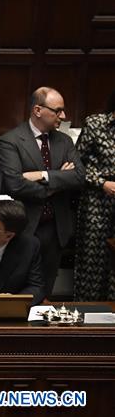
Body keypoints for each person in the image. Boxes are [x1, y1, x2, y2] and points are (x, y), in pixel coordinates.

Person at [0, 87, 84, 299]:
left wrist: (42, 175)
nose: (63, 116)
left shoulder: (64, 141)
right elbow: (15, 185)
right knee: (17, 290)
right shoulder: (11, 141)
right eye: (58, 111)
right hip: (24, 227)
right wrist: (57, 182)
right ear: (37, 110)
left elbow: (80, 176)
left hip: (55, 229)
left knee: (44, 292)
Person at [74, 88, 115, 301]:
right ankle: (85, 313)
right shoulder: (96, 123)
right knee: (92, 262)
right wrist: (102, 183)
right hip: (97, 202)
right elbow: (76, 164)